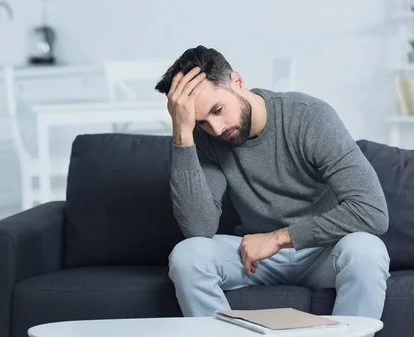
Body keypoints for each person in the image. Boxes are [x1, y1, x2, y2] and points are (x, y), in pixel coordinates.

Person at [153, 45, 390, 330]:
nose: (216, 128)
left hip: (322, 251)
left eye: (218, 110)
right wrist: (182, 133)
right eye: (202, 122)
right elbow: (198, 229)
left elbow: (373, 211)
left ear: (237, 82)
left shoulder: (309, 117)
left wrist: (278, 238)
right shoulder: (204, 141)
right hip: (253, 258)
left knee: (367, 251)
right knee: (186, 256)